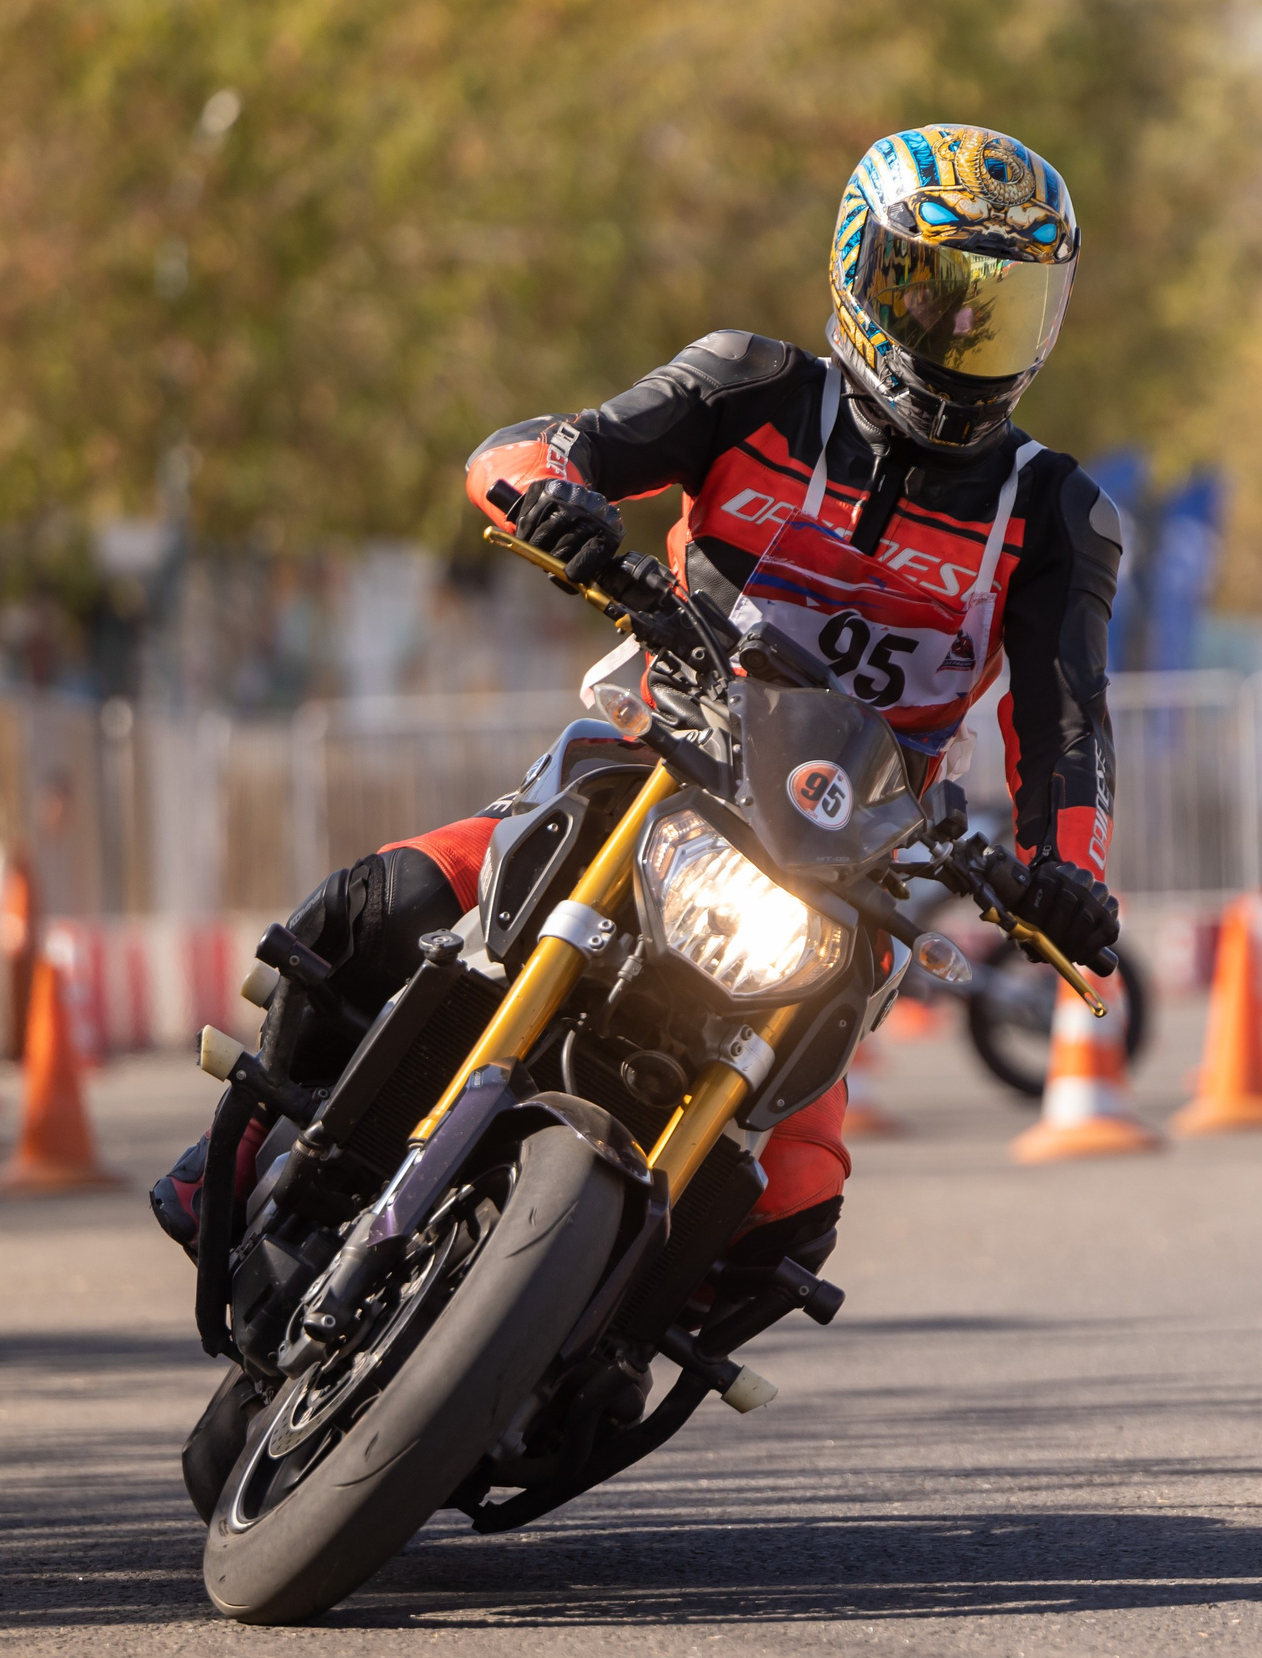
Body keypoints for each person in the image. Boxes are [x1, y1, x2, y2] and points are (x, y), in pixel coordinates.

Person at [154, 123, 1123, 1283]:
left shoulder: (1053, 512)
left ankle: (589, 1362)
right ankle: (253, 1145)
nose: (963, 338)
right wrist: (557, 504)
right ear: (863, 271)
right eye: (939, 298)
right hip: (664, 760)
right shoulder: (747, 384)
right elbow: (526, 450)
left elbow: (1067, 726)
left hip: (856, 857)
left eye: (1003, 310)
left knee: (793, 1209)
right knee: (381, 904)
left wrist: (1071, 879)